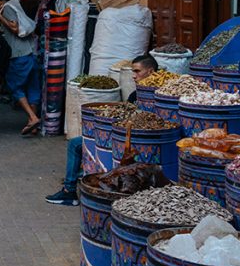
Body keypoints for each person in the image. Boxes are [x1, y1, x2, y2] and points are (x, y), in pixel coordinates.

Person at [45, 54, 160, 206]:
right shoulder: (134, 95)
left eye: (137, 71)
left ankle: (73, 187)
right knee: (76, 143)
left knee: (82, 147)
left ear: (151, 72)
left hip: (134, 144)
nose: (133, 76)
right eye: (133, 71)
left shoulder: (159, 95)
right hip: (119, 135)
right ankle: (72, 187)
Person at [0, 0, 42, 136]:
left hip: (19, 54)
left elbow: (15, 28)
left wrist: (0, 17)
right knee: (33, 87)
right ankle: (33, 124)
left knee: (15, 86)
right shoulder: (17, 5)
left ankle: (33, 117)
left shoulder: (6, 8)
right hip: (31, 53)